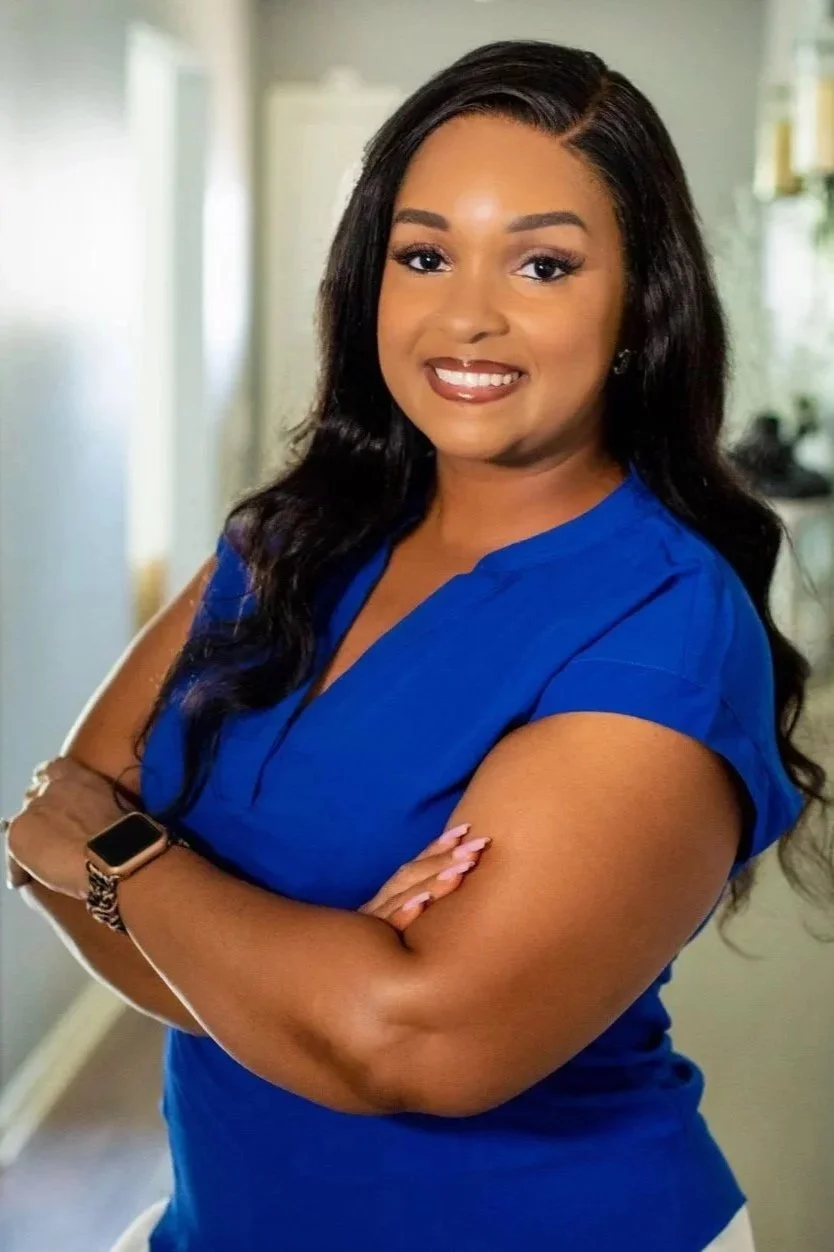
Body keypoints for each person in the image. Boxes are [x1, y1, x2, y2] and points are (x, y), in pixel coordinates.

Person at [5, 39, 831, 1252]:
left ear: (638, 303)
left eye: (543, 264)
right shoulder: (288, 539)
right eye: (425, 254)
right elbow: (44, 832)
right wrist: (318, 974)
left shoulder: (664, 624)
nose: (468, 315)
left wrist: (123, 859)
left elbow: (412, 1042)